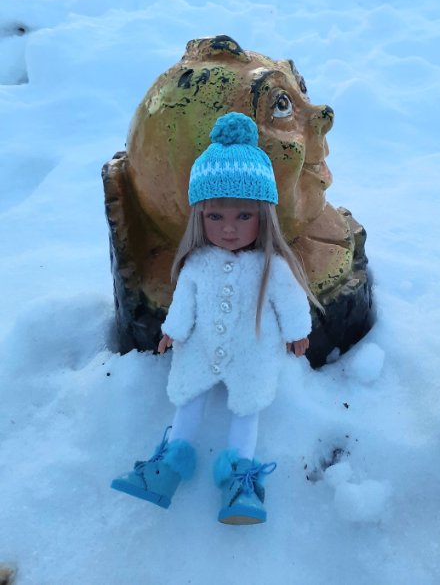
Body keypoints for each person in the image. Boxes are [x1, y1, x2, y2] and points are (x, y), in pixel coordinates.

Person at [111, 112, 318, 525]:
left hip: (252, 352)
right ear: (199, 217)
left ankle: (240, 478)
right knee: (187, 401)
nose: (228, 228)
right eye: (215, 216)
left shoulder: (270, 267)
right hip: (200, 347)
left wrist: (298, 333)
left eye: (244, 216)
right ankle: (168, 466)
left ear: (264, 216)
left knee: (247, 410)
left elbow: (292, 301)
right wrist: (172, 331)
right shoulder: (197, 263)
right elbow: (184, 303)